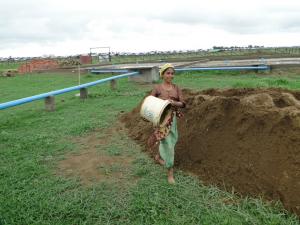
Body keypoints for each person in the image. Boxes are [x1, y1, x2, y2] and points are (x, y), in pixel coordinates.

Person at [149, 63, 185, 184]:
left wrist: (174, 103)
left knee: (169, 141)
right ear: (162, 74)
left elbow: (183, 103)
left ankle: (158, 157)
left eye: (172, 73)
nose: (171, 75)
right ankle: (170, 173)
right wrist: (161, 103)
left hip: (172, 120)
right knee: (168, 145)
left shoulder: (176, 88)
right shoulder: (157, 88)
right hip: (161, 120)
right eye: (168, 73)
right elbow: (150, 102)